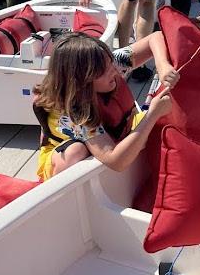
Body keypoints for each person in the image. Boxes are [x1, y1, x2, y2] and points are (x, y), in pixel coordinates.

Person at [32, 31, 179, 180]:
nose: (115, 71)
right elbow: (116, 161)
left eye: (110, 63)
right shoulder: (75, 111)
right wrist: (152, 115)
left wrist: (162, 66)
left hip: (117, 134)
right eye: (103, 71)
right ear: (81, 80)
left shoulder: (108, 63)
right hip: (64, 156)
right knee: (76, 152)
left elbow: (154, 37)